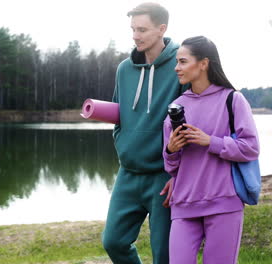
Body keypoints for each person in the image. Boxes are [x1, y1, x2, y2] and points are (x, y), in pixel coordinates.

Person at [102, 3, 188, 264]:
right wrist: (122, 143)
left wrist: (180, 173)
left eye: (142, 29)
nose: (135, 36)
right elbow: (119, 117)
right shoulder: (124, 69)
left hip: (163, 175)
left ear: (162, 29)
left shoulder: (180, 66)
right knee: (113, 242)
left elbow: (190, 122)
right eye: (133, 29)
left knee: (164, 253)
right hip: (127, 173)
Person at [163, 36, 260, 264]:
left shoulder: (232, 100)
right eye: (177, 62)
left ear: (203, 63)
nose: (177, 68)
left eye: (183, 61)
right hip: (184, 205)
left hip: (224, 202)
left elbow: (251, 148)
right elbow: (170, 166)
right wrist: (171, 149)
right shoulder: (176, 107)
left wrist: (211, 142)